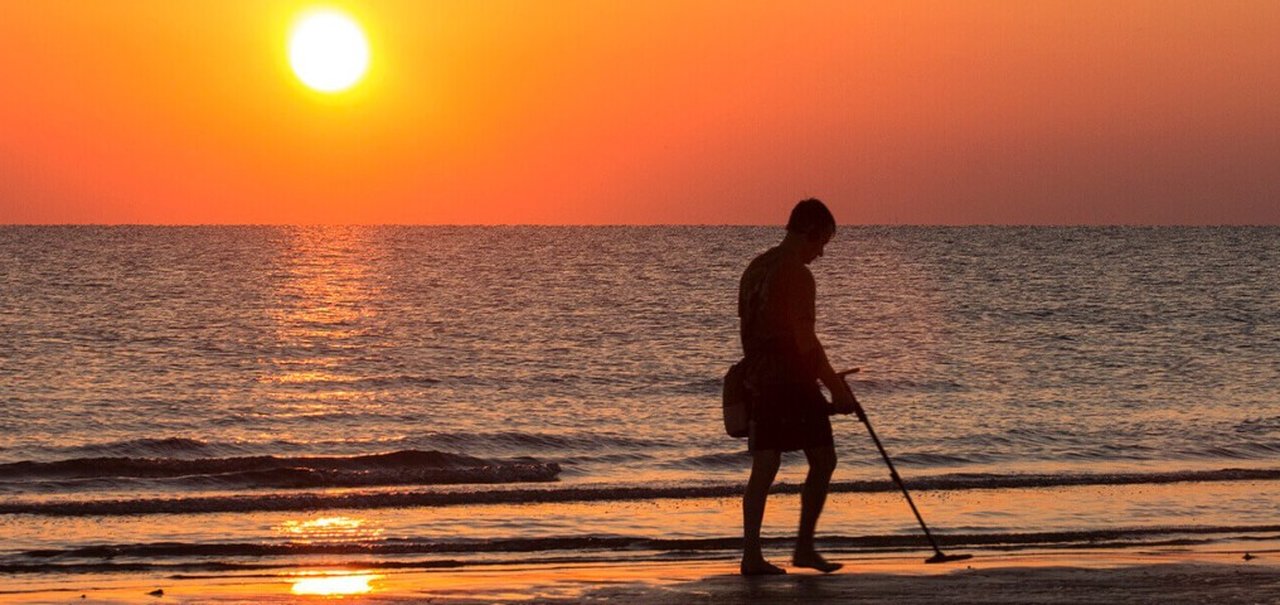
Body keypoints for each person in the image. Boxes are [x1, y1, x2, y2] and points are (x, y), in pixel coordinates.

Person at [737, 198, 861, 576]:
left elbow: (747, 328)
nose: (821, 253)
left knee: (765, 464)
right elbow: (805, 338)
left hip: (759, 375)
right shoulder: (798, 275)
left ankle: (751, 556)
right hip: (791, 378)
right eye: (821, 242)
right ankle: (804, 547)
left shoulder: (756, 267)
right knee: (824, 459)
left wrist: (754, 374)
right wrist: (834, 387)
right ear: (807, 232)